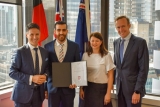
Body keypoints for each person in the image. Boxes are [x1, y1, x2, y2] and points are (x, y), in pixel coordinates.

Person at [9, 23, 49, 107]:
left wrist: (45, 76)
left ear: (40, 34)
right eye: (31, 34)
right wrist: (31, 78)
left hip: (39, 95)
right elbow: (12, 72)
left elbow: (47, 68)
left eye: (37, 34)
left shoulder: (44, 52)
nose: (35, 37)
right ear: (26, 35)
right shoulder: (20, 52)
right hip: (22, 95)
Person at [114, 15, 149, 107]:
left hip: (133, 91)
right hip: (119, 89)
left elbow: (143, 69)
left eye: (123, 26)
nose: (120, 29)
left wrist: (137, 91)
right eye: (118, 27)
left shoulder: (140, 42)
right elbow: (116, 66)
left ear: (129, 26)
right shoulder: (116, 42)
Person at [44, 21, 80, 107]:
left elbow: (77, 66)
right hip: (52, 88)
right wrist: (45, 88)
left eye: (64, 30)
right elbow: (46, 68)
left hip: (69, 88)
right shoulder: (47, 47)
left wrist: (75, 81)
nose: (61, 32)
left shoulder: (74, 46)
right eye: (58, 30)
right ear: (54, 31)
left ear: (67, 31)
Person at [79, 32, 115, 107]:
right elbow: (82, 73)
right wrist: (81, 89)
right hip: (88, 88)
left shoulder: (107, 55)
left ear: (101, 42)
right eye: (92, 41)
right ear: (90, 42)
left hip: (101, 89)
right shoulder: (85, 55)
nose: (94, 43)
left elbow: (111, 76)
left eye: (97, 41)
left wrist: (108, 94)